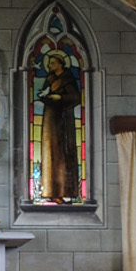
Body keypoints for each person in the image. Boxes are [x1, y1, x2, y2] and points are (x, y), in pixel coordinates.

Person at [37, 51, 82, 201]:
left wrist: (61, 97)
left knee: (62, 154)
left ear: (60, 64)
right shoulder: (50, 78)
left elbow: (75, 97)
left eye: (52, 63)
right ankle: (49, 192)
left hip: (63, 118)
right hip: (50, 117)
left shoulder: (68, 79)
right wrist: (45, 96)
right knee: (49, 152)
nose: (49, 66)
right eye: (49, 63)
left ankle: (64, 192)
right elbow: (42, 94)